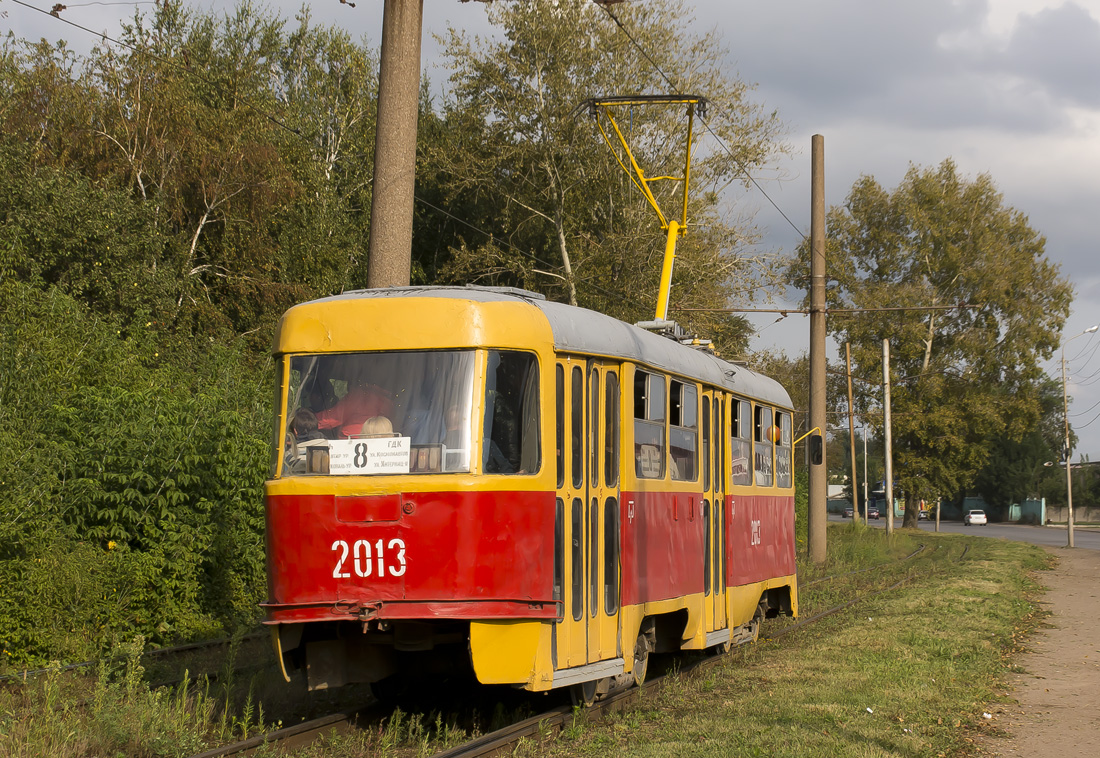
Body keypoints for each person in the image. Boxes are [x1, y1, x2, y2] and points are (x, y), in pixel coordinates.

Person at [315, 378, 395, 438]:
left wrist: (310, 420)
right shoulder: (385, 398)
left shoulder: (358, 395)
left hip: (354, 440)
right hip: (379, 441)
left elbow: (334, 417)